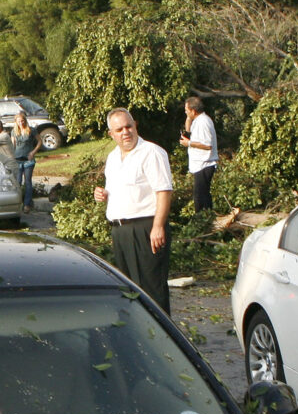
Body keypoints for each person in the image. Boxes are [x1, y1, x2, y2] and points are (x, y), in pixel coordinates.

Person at [91, 108, 173, 313]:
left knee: (152, 290)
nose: (125, 132)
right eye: (119, 129)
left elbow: (164, 191)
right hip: (121, 231)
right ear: (111, 134)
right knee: (128, 290)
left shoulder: (152, 153)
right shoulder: (112, 158)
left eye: (128, 126)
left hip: (146, 228)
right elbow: (119, 189)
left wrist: (158, 227)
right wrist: (102, 194)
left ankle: (161, 339)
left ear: (135, 125)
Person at [182, 96, 218, 216]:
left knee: (200, 197)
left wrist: (189, 143)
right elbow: (189, 132)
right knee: (202, 195)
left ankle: (204, 221)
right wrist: (188, 117)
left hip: (205, 164)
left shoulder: (203, 122)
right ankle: (206, 219)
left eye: (187, 110)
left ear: (193, 110)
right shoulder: (197, 120)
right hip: (199, 164)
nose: (185, 112)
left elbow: (207, 145)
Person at [10, 112, 37, 213]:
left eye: (22, 121)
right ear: (16, 122)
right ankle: (18, 203)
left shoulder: (31, 130)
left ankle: (27, 204)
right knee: (17, 182)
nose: (21, 123)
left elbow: (39, 142)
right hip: (17, 160)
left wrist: (33, 152)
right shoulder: (14, 132)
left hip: (28, 160)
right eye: (19, 121)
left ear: (25, 120)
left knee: (28, 182)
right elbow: (13, 145)